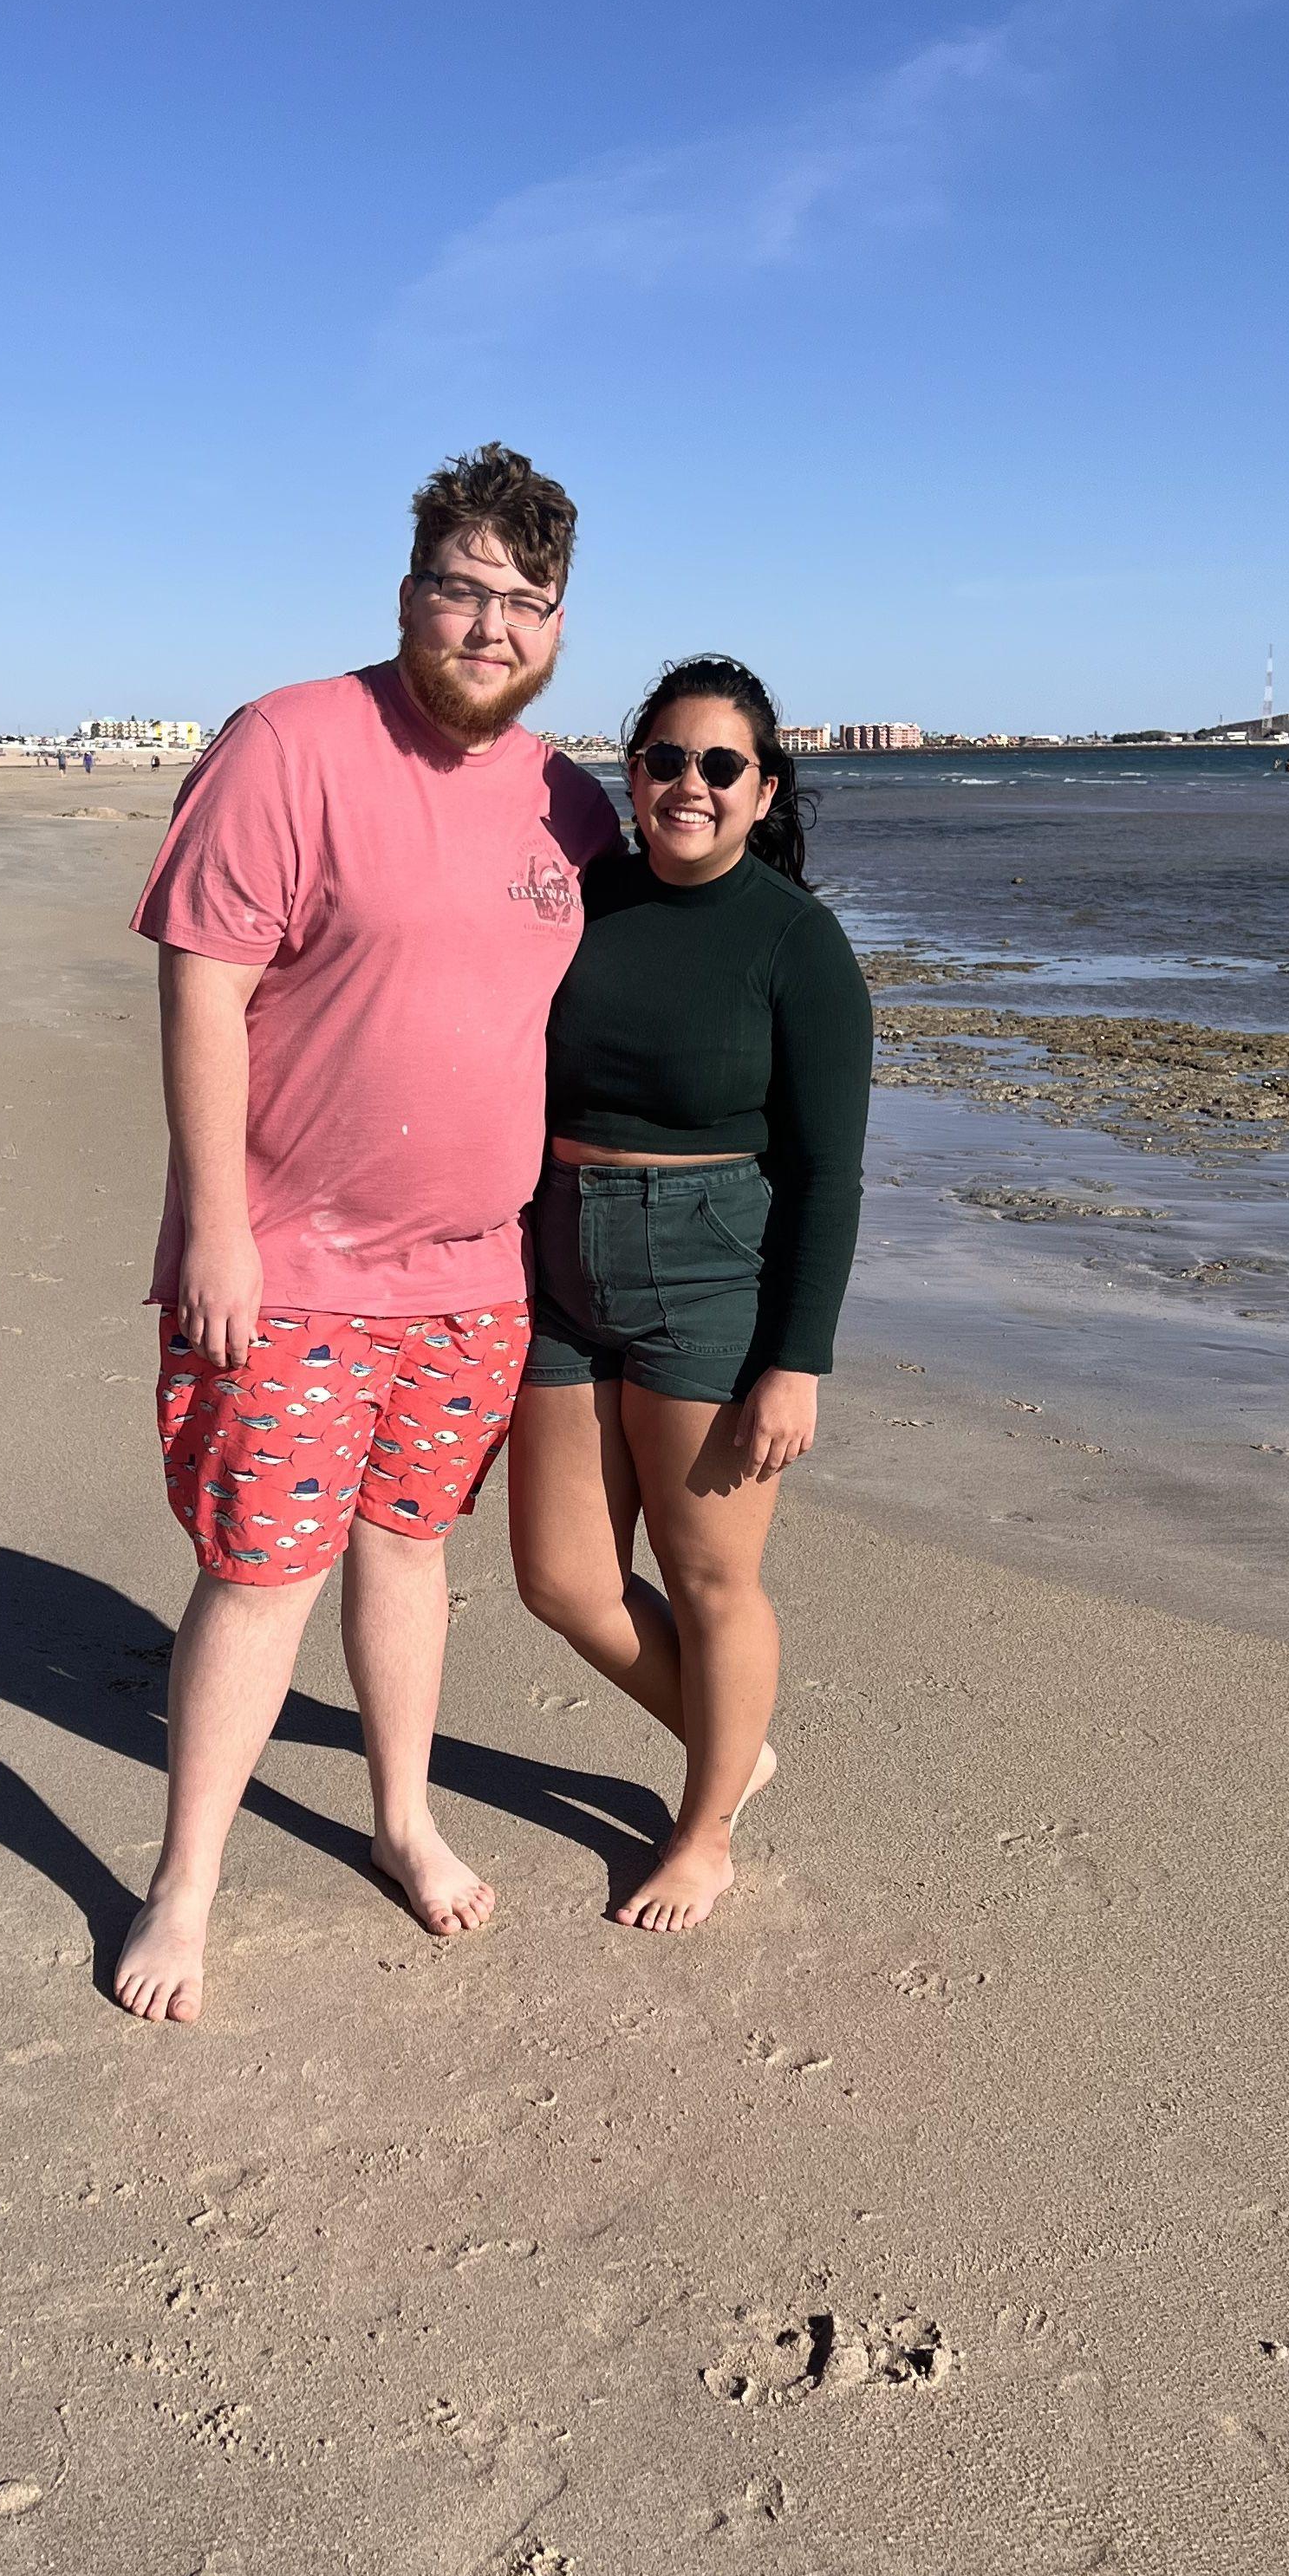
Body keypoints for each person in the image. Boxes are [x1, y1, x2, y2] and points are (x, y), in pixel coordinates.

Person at [112, 444, 619, 2025]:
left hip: (476, 1271)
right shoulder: (291, 743)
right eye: (463, 591)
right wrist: (217, 1224)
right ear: (409, 595)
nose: (491, 626)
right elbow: (202, 980)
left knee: (411, 1550)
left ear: (556, 628)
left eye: (525, 603)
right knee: (262, 1571)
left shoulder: (569, 802)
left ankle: (402, 1818)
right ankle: (184, 1882)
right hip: (295, 1258)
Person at [506, 656, 872, 1934]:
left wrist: (796, 1359)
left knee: (710, 1577)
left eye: (723, 766)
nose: (690, 785)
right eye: (666, 758)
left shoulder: (797, 943)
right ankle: (735, 1744)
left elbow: (829, 1171)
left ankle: (704, 1827)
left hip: (711, 1266)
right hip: (552, 1251)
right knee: (560, 1581)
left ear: (765, 791)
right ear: (634, 771)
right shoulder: (584, 901)